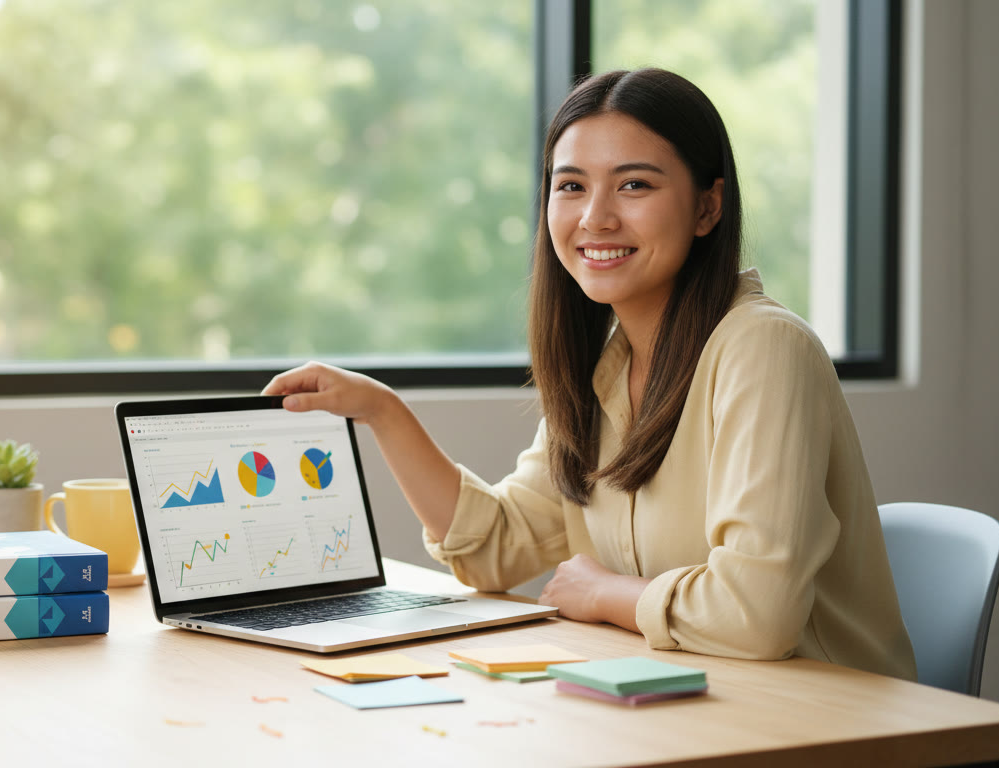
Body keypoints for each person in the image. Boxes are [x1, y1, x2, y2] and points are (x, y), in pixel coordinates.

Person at [263, 68, 916, 679]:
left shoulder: (764, 348)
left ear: (707, 209)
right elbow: (495, 550)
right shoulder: (608, 369)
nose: (595, 217)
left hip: (823, 722)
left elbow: (757, 614)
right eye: (571, 185)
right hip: (688, 699)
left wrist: (607, 594)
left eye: (634, 185)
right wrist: (383, 413)